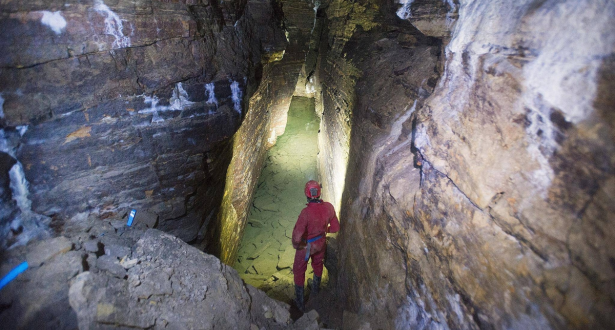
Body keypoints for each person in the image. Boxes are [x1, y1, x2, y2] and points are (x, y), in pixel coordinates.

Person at [292, 180, 340, 311]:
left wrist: (297, 245)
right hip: (320, 243)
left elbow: (297, 237)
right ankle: (315, 290)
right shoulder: (329, 207)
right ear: (319, 192)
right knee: (318, 264)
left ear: (306, 194)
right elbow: (335, 228)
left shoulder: (305, 213)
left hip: (306, 246)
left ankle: (300, 302)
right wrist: (324, 231)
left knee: (298, 270)